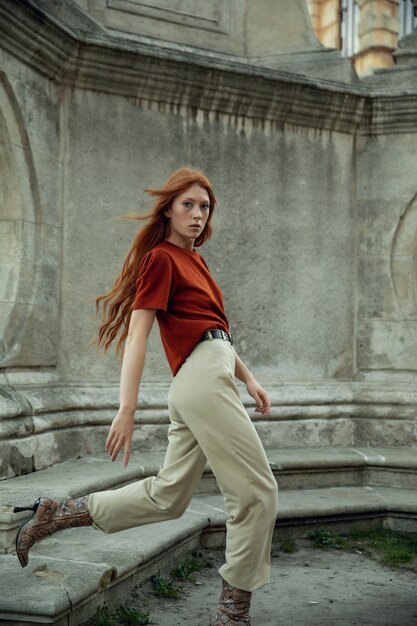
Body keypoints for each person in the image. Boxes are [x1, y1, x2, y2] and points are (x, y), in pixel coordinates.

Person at [14, 167, 279, 626]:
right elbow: (138, 336)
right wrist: (127, 408)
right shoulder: (160, 259)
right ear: (169, 209)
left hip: (209, 373)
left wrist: (249, 380)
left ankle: (57, 514)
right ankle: (232, 614)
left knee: (168, 497)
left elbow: (214, 332)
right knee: (258, 492)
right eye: (188, 205)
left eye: (205, 207)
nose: (198, 214)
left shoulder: (196, 261)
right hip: (200, 380)